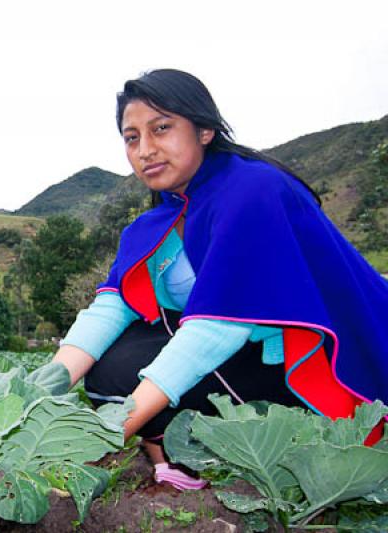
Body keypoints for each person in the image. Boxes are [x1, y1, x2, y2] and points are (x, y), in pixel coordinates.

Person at [53, 69, 388, 490]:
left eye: (161, 129)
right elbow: (111, 307)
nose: (145, 149)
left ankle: (262, 455)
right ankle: (175, 460)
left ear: (205, 129)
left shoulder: (252, 190)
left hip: (325, 367)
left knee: (134, 375)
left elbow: (215, 330)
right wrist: (40, 391)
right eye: (132, 137)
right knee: (114, 363)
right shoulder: (161, 217)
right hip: (251, 360)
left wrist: (110, 432)